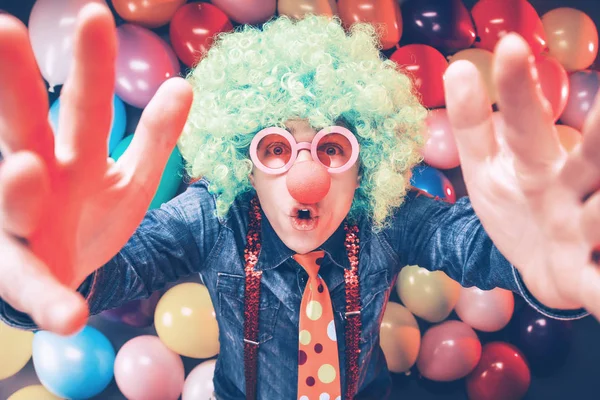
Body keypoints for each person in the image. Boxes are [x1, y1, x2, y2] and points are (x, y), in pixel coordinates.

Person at [0, 3, 598, 399]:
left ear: (366, 158)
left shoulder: (386, 215)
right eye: (275, 149)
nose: (305, 178)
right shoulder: (211, 217)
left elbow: (467, 240)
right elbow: (127, 264)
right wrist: (62, 271)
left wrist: (538, 262)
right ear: (242, 159)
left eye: (333, 148)